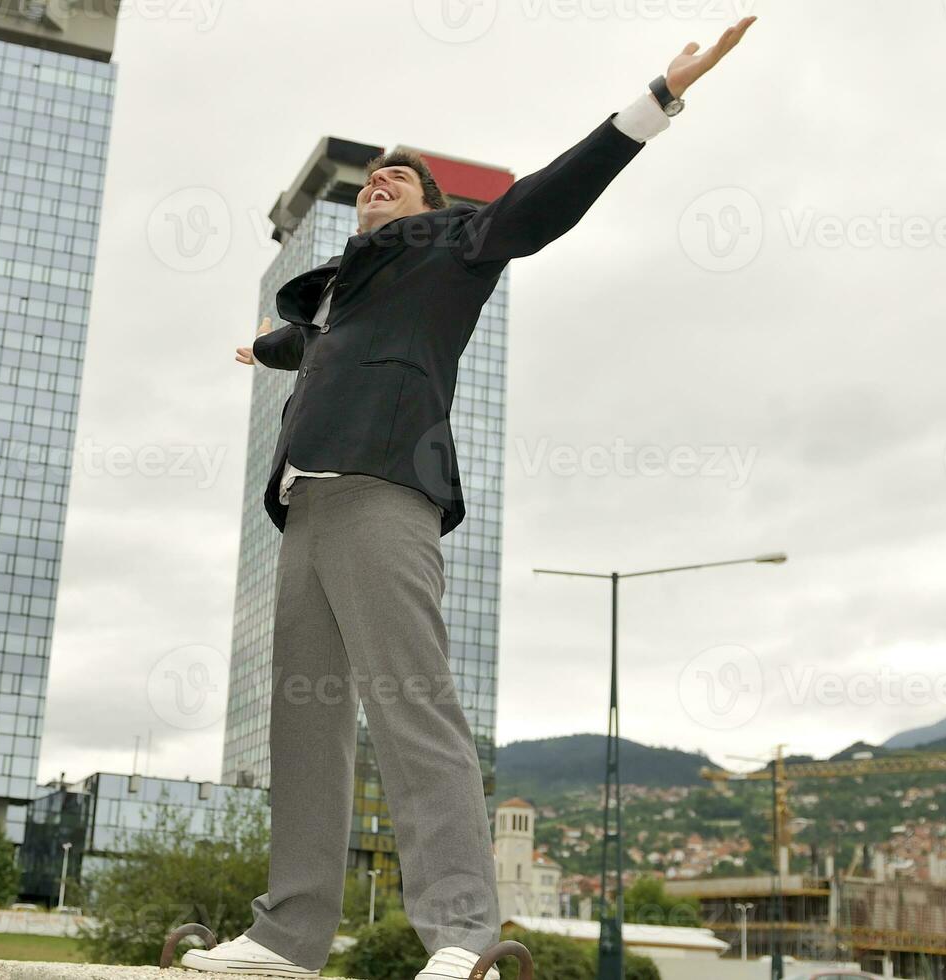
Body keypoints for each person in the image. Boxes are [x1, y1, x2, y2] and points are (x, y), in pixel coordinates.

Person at [182, 17, 758, 980]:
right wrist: (266, 346)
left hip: (384, 493)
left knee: (413, 706)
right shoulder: (339, 293)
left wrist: (653, 101)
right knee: (305, 719)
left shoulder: (454, 243)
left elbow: (542, 202)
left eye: (398, 179)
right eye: (371, 179)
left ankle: (461, 936)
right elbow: (313, 342)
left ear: (431, 206)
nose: (379, 182)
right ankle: (286, 938)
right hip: (305, 506)